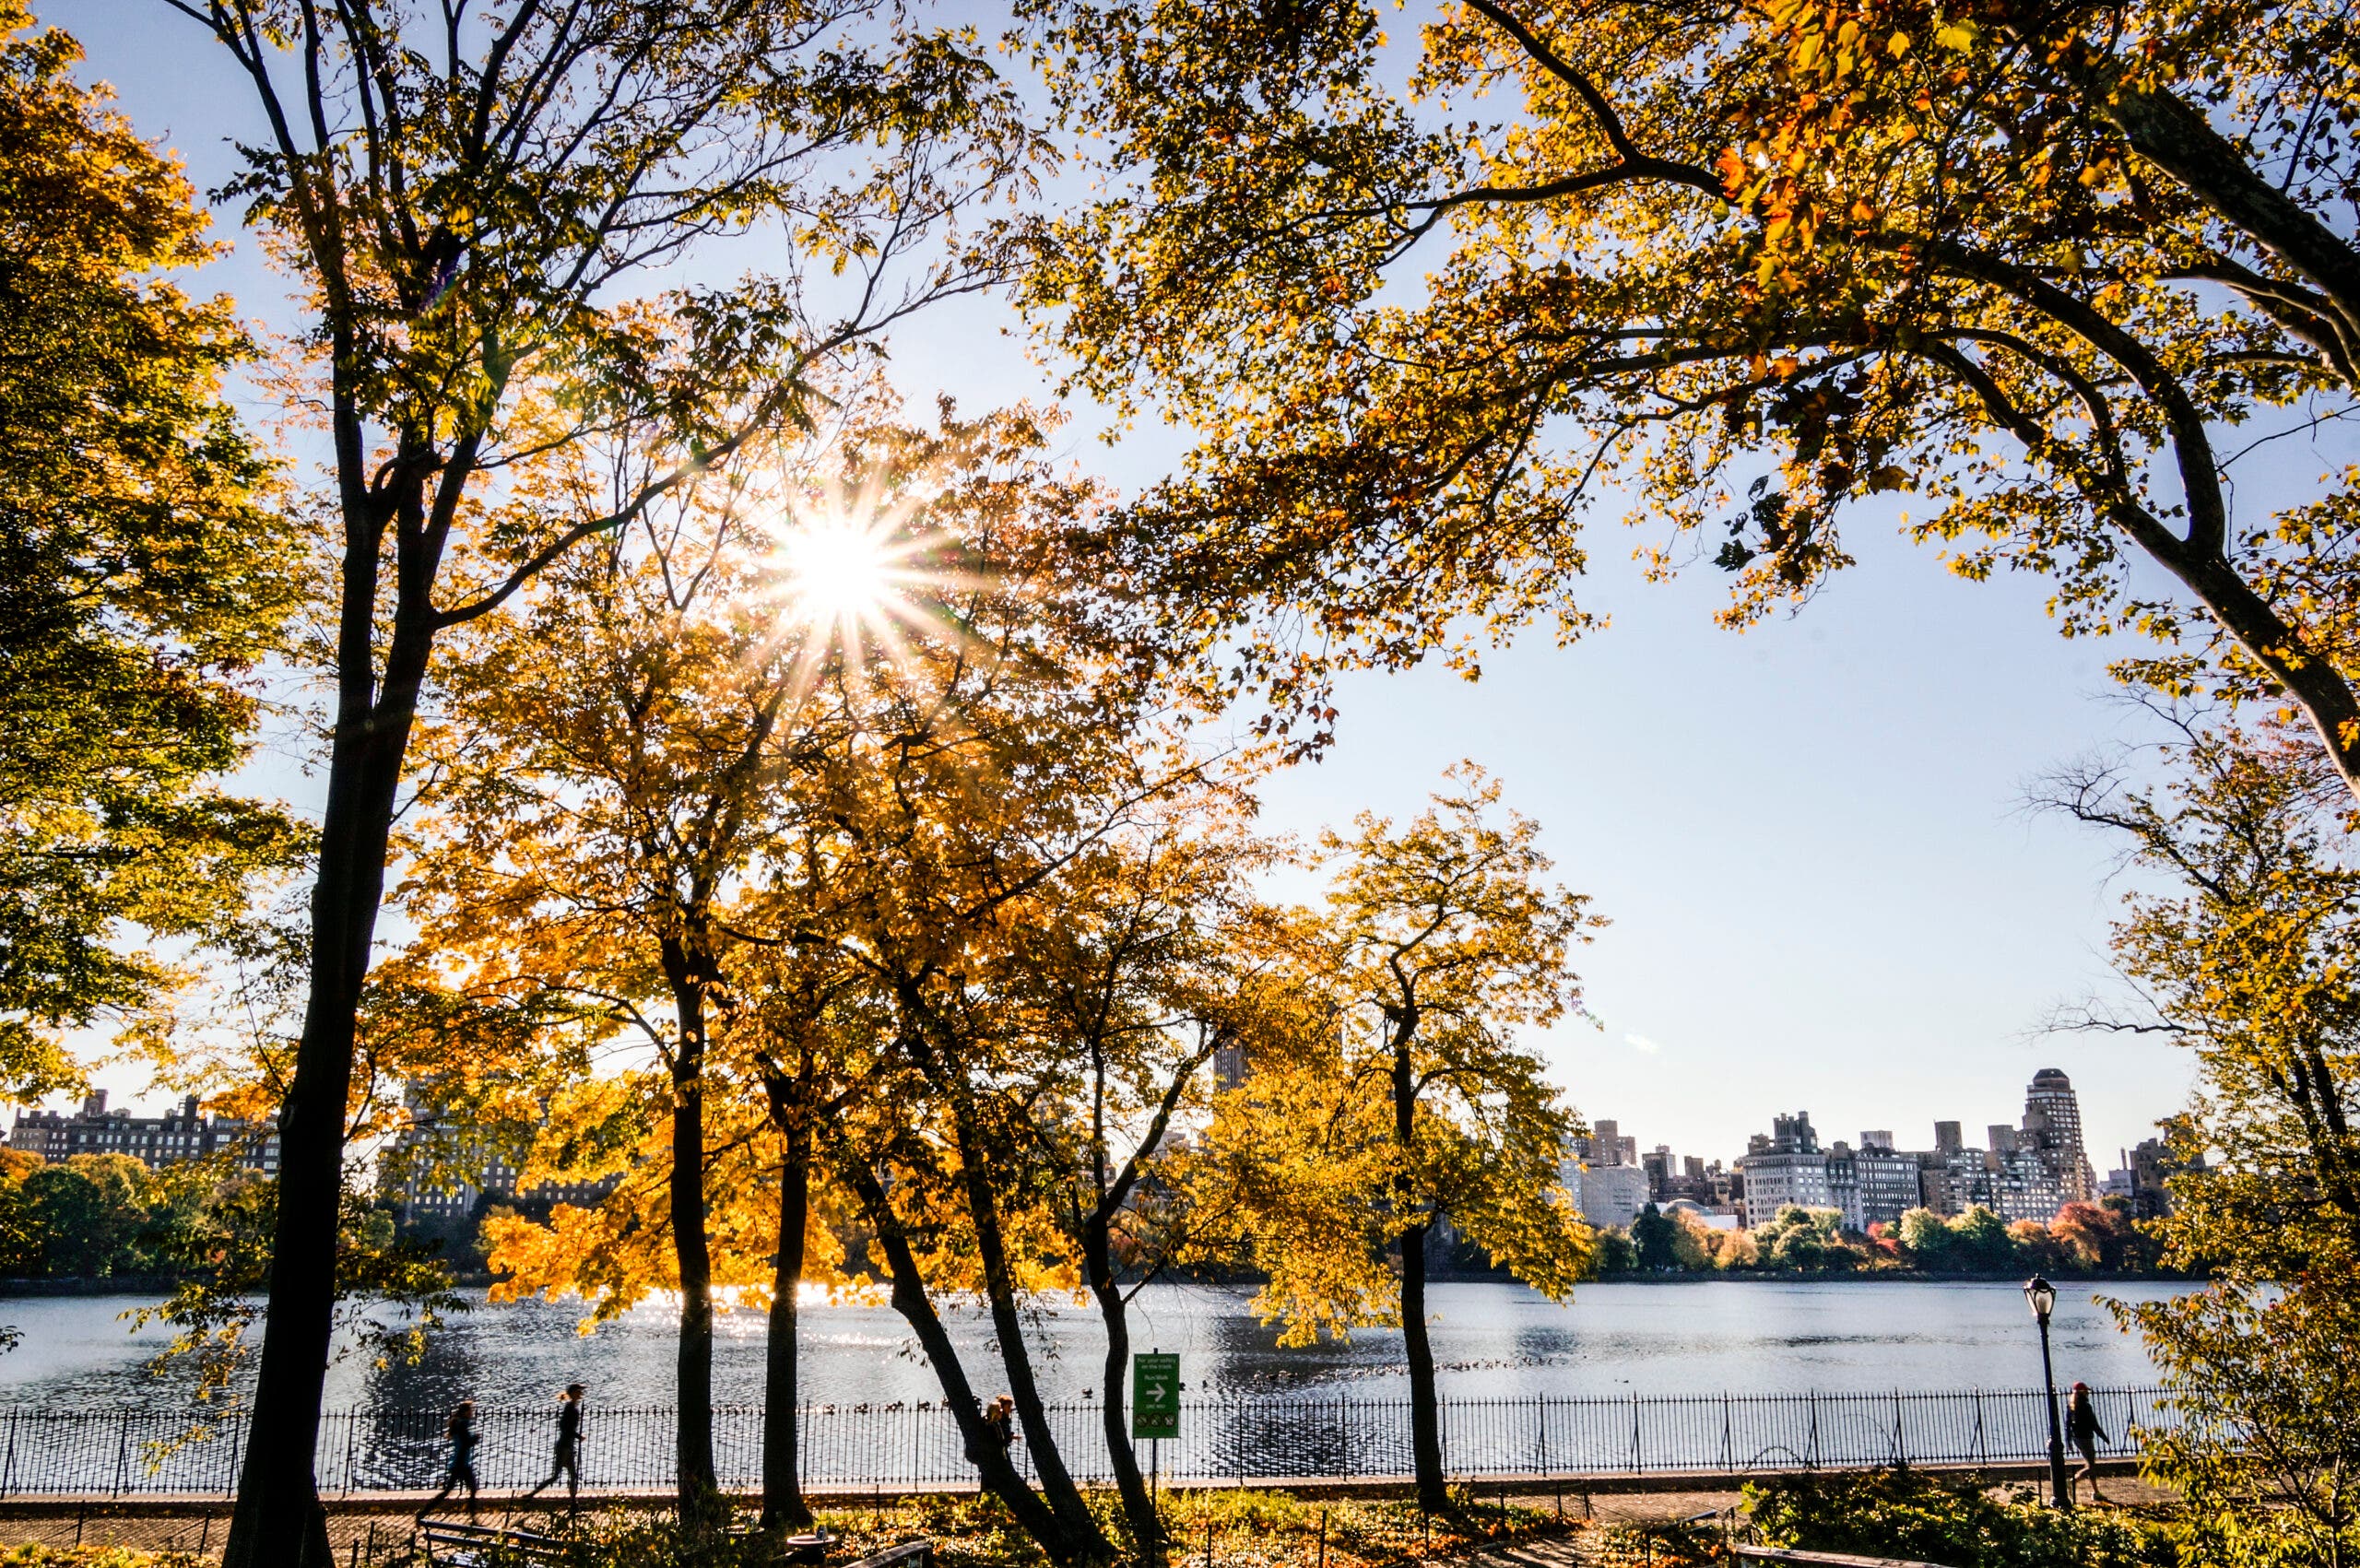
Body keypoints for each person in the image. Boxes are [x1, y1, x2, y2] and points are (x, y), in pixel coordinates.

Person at [524, 1384, 585, 1506]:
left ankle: (573, 1502)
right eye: (579, 1391)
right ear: (572, 1393)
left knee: (572, 1475)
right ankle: (531, 1495)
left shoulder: (573, 1407)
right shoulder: (570, 1409)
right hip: (564, 1447)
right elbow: (565, 1427)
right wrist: (579, 1436)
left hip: (567, 1446)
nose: (581, 1394)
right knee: (557, 1476)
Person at [419, 1398, 481, 1521]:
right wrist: (475, 1438)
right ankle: (473, 1516)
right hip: (461, 1464)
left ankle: (423, 1512)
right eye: (471, 1410)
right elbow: (466, 1443)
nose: (472, 1412)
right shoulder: (462, 1425)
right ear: (465, 1412)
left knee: (449, 1491)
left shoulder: (459, 1423)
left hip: (459, 1463)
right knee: (471, 1488)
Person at [2066, 1382, 2110, 1503]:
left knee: (2090, 1465)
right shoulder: (2086, 1406)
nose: (2088, 1393)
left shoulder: (2071, 1406)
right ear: (2082, 1393)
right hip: (2086, 1438)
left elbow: (2067, 1425)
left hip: (2077, 1438)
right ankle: (2073, 1481)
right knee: (2091, 1467)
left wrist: (2068, 1440)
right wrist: (2104, 1437)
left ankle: (2096, 1492)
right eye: (2086, 1391)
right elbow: (2094, 1424)